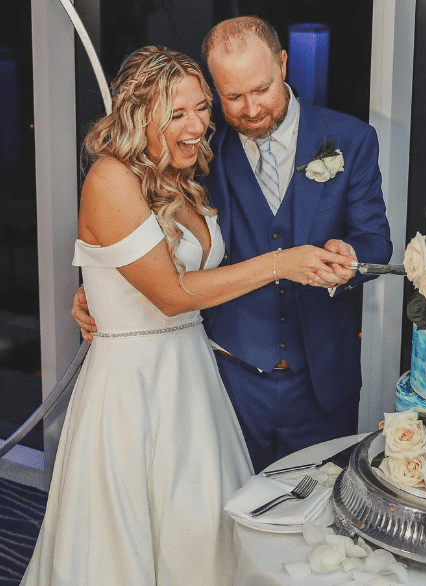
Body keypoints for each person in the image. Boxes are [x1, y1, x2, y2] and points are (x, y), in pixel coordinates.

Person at [23, 46, 355, 586]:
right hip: (134, 387)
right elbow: (172, 294)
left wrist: (96, 290)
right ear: (138, 116)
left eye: (201, 108)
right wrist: (280, 264)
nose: (198, 124)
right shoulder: (111, 179)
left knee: (199, 528)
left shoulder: (180, 179)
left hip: (191, 375)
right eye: (176, 114)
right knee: (125, 535)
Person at [73, 16, 393, 473]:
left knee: (318, 521)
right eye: (232, 97)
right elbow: (136, 229)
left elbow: (376, 241)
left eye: (261, 89)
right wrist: (103, 289)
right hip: (225, 381)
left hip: (322, 382)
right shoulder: (195, 147)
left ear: (283, 63)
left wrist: (352, 255)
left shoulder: (352, 139)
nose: (251, 109)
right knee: (229, 519)